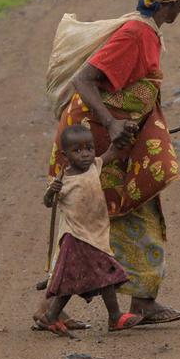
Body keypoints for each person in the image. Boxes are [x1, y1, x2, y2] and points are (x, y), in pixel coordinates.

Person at [37, 0, 180, 330]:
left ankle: (136, 301)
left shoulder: (147, 33)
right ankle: (132, 303)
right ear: (174, 3)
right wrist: (110, 122)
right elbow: (84, 80)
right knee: (93, 222)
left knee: (103, 219)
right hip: (92, 144)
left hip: (109, 142)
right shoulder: (135, 35)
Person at [36, 124, 143, 337]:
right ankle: (115, 317)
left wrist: (128, 132)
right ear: (65, 156)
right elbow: (48, 203)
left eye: (89, 148)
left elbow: (113, 151)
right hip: (77, 237)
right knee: (105, 275)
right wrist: (51, 192)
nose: (85, 155)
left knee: (72, 281)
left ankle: (51, 316)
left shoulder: (95, 165)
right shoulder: (63, 181)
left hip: (95, 235)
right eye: (77, 151)